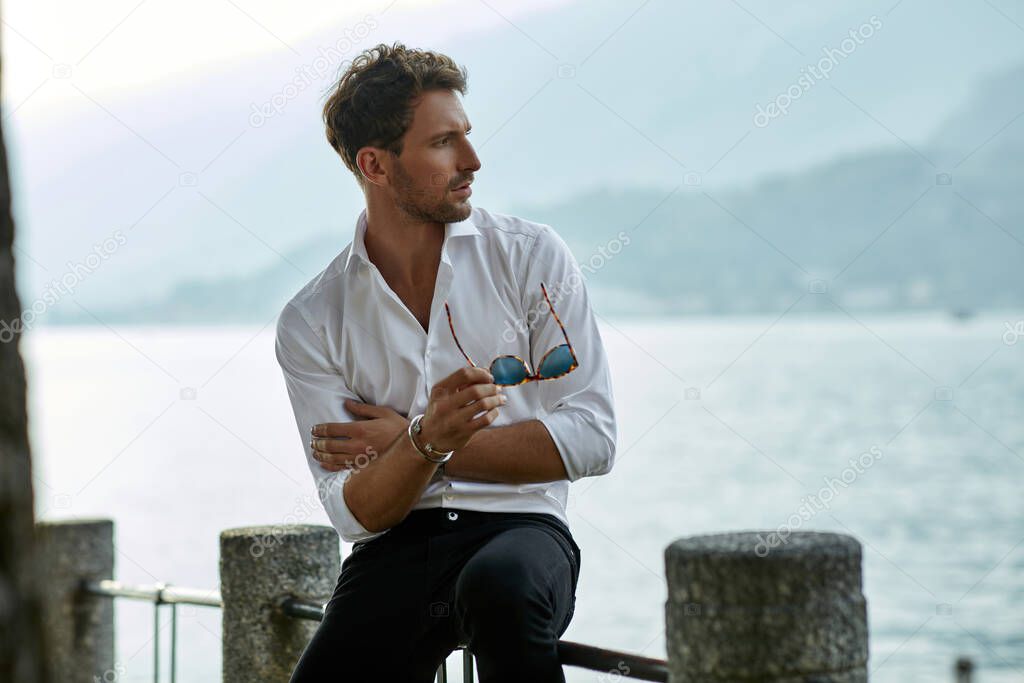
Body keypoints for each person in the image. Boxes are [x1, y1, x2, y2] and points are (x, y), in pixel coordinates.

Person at [275, 41, 617, 683]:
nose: (472, 160)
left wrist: (417, 445)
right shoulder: (312, 318)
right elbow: (358, 511)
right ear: (374, 165)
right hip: (397, 550)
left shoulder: (531, 257)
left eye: (466, 135)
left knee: (500, 588)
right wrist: (426, 435)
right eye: (442, 143)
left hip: (522, 530)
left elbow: (593, 439)